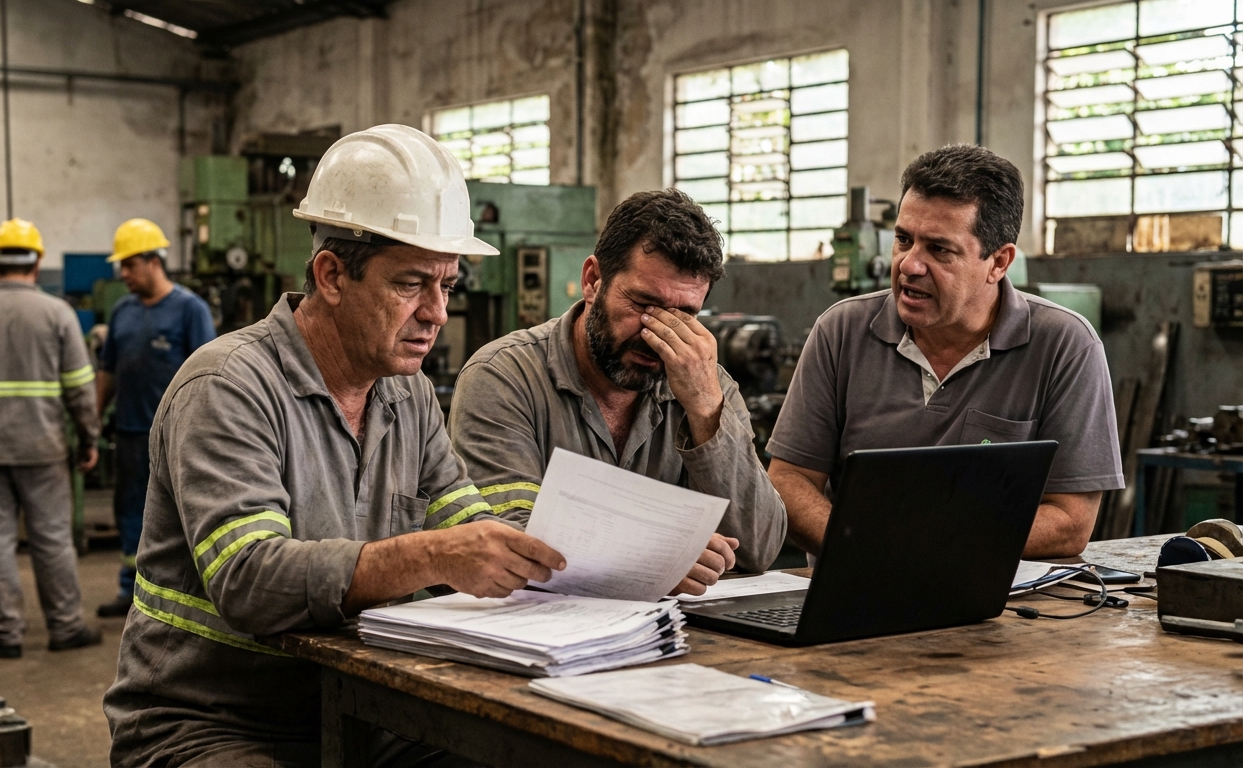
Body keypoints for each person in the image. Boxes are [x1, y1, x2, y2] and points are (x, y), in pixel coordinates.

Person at [104, 125, 566, 767]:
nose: (437, 312)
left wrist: (608, 559)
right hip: (215, 721)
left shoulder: (409, 397)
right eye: (412, 284)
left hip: (367, 708)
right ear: (331, 274)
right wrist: (433, 555)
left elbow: (468, 526)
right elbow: (249, 579)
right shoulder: (227, 386)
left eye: (448, 285)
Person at [767, 144, 1123, 560]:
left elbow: (1069, 521)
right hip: (853, 584)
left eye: (939, 249)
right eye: (903, 240)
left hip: (1001, 606)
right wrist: (861, 548)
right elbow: (789, 479)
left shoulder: (1065, 345)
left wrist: (925, 545)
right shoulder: (841, 331)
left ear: (999, 262)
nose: (909, 265)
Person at [448, 190, 787, 592]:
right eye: (643, 303)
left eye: (684, 315)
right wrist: (656, 555)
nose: (656, 333)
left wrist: (707, 411)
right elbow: (508, 537)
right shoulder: (504, 377)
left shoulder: (708, 386)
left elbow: (760, 547)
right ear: (593, 280)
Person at [0, 218, 103, 658]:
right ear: (38, 260)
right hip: (42, 448)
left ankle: (5, 633)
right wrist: (88, 438)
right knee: (51, 538)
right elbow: (80, 391)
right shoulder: (57, 314)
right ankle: (65, 626)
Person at [94, 218, 215, 618]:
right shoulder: (122, 312)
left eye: (129, 265)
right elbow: (108, 370)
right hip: (130, 433)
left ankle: (184, 593)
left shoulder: (189, 310)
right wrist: (95, 415)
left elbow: (211, 374)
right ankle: (131, 590)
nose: (123, 274)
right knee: (129, 509)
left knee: (183, 514)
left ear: (153, 261)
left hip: (177, 438)